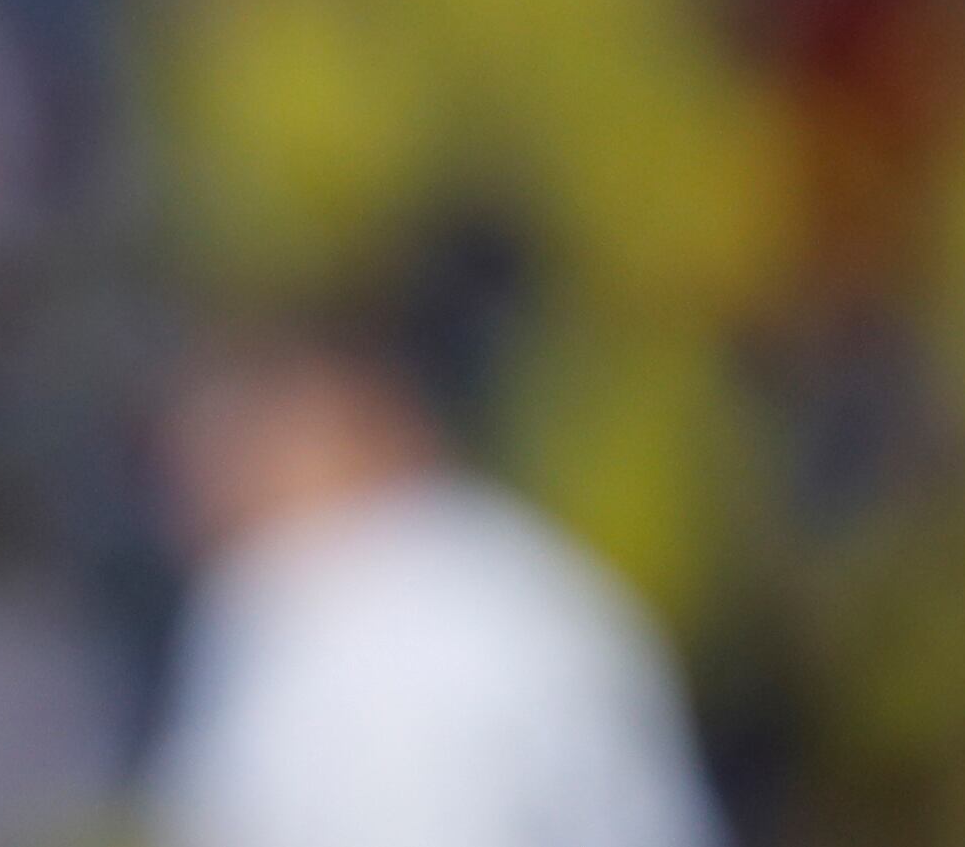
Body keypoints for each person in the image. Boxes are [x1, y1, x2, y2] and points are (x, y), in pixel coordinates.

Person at [150, 302, 729, 847]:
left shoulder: (373, 595)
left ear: (364, 416)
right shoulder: (512, 566)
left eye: (253, 426)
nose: (214, 476)